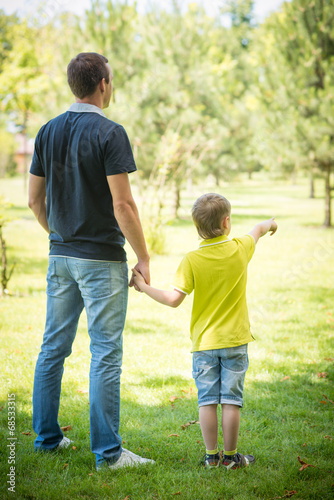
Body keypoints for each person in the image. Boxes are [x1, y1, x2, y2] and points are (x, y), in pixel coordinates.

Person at [28, 52, 154, 471]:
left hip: (60, 256)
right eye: (111, 81)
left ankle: (46, 440)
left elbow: (33, 200)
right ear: (102, 84)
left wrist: (60, 235)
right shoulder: (111, 132)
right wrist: (144, 256)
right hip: (101, 261)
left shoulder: (46, 131)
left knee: (52, 348)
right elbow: (124, 205)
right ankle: (109, 455)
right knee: (104, 353)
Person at [132, 193, 277, 470]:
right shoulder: (240, 247)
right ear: (227, 222)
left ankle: (212, 458)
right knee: (232, 401)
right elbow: (258, 229)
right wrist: (270, 224)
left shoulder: (192, 259)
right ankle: (232, 458)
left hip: (204, 345)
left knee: (207, 401)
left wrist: (144, 286)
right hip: (235, 341)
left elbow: (173, 299)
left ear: (197, 228)